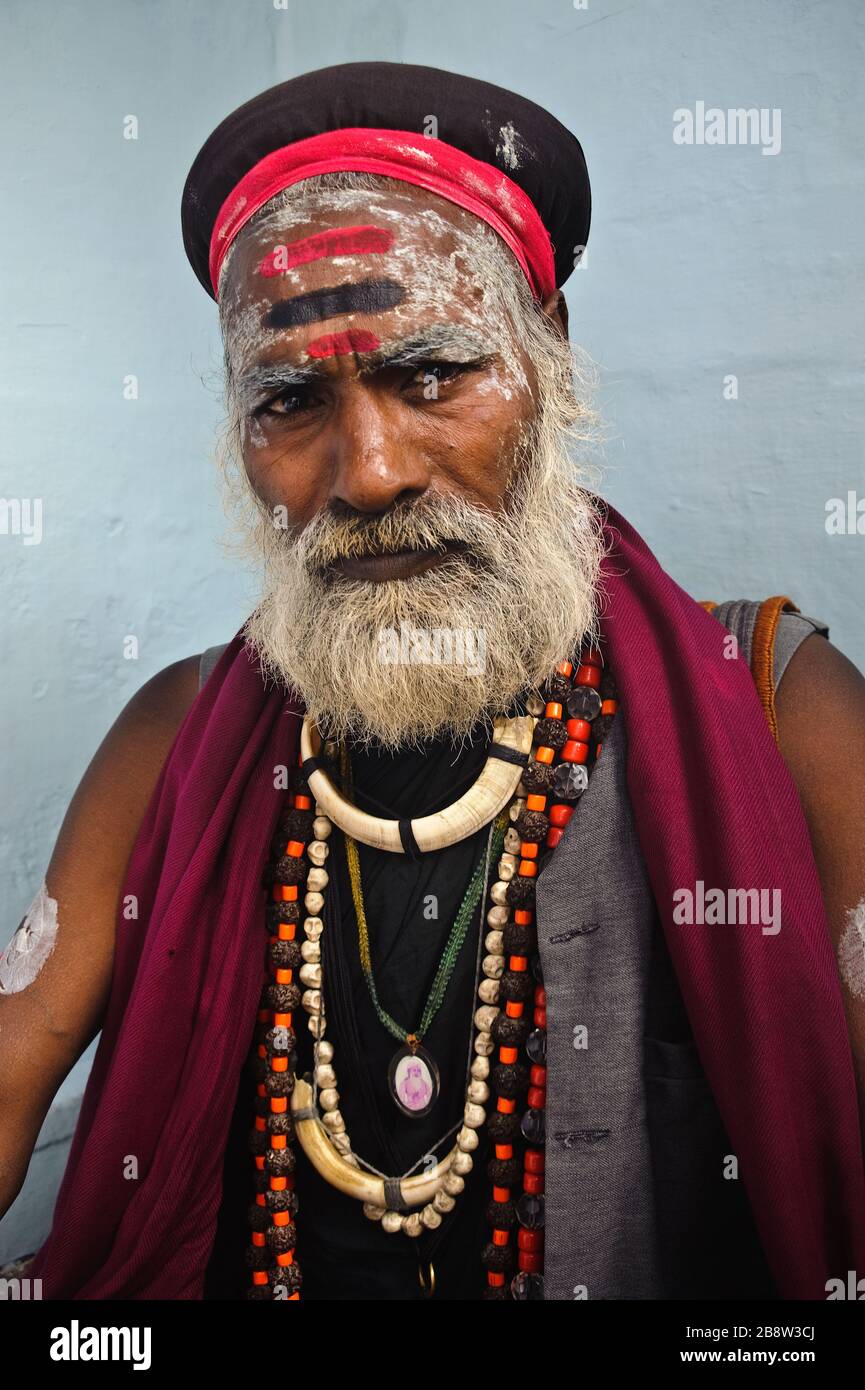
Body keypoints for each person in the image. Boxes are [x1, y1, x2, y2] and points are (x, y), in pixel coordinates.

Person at [2, 62, 864, 1302]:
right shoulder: (180, 736)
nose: (368, 472)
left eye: (432, 374)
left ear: (548, 352)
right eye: (290, 399)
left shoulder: (779, 708)